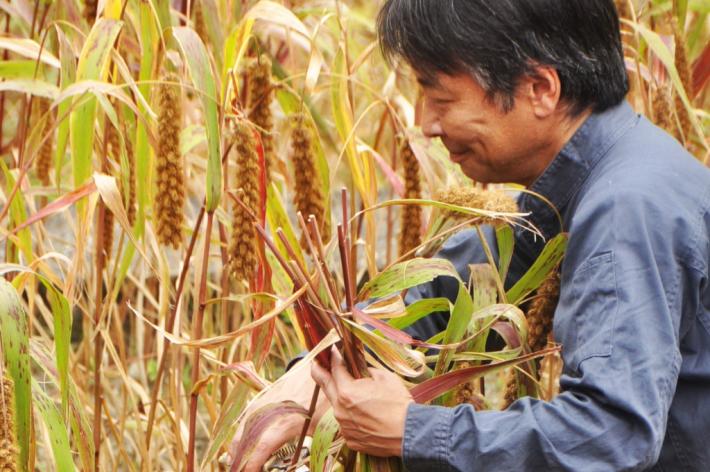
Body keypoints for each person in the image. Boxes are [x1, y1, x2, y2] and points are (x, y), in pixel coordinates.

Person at [233, 1, 710, 470]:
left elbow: (610, 434)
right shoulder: (594, 183)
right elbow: (454, 281)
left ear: (540, 88)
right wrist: (323, 363)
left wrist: (409, 430)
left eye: (441, 99)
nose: (426, 125)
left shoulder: (627, 209)